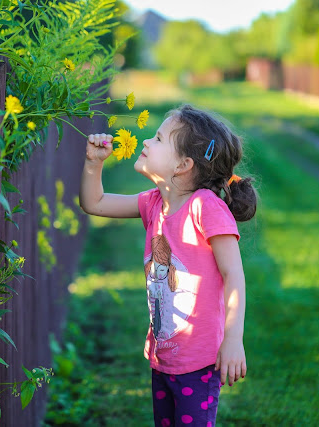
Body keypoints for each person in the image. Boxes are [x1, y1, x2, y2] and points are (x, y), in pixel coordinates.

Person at [79, 104, 257, 426]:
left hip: (199, 363)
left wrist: (233, 338)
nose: (147, 142)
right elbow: (95, 203)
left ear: (183, 165)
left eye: (159, 139)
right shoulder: (153, 203)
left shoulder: (205, 207)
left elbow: (233, 274)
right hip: (164, 356)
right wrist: (93, 163)